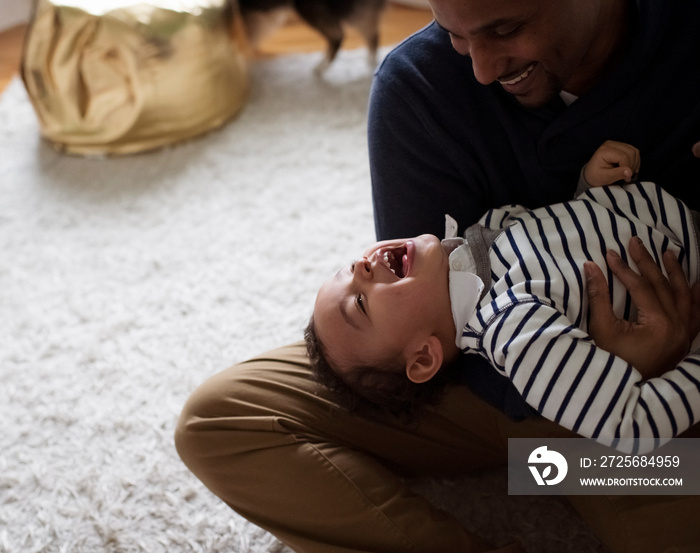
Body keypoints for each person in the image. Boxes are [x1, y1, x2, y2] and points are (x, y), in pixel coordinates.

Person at [176, 1, 700, 552]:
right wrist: (609, 364)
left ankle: (551, 471)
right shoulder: (417, 89)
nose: (481, 68)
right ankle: (543, 473)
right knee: (221, 420)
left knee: (670, 496)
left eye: (505, 29)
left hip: (614, 410)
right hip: (465, 380)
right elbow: (415, 322)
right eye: (454, 35)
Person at [306, 141, 700, 454]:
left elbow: (569, 243)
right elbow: (630, 425)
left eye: (348, 267)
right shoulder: (515, 333)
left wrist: (589, 188)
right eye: (359, 302)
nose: (361, 267)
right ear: (424, 356)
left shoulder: (481, 235)